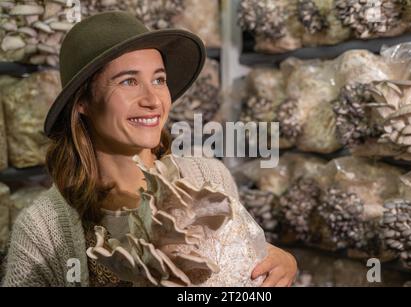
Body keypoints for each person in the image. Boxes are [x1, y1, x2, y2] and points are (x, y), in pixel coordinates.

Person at [2, 11, 297, 287]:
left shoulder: (208, 175)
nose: (153, 99)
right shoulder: (42, 229)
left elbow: (245, 270)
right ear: (83, 103)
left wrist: (280, 265)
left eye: (159, 79)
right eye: (129, 81)